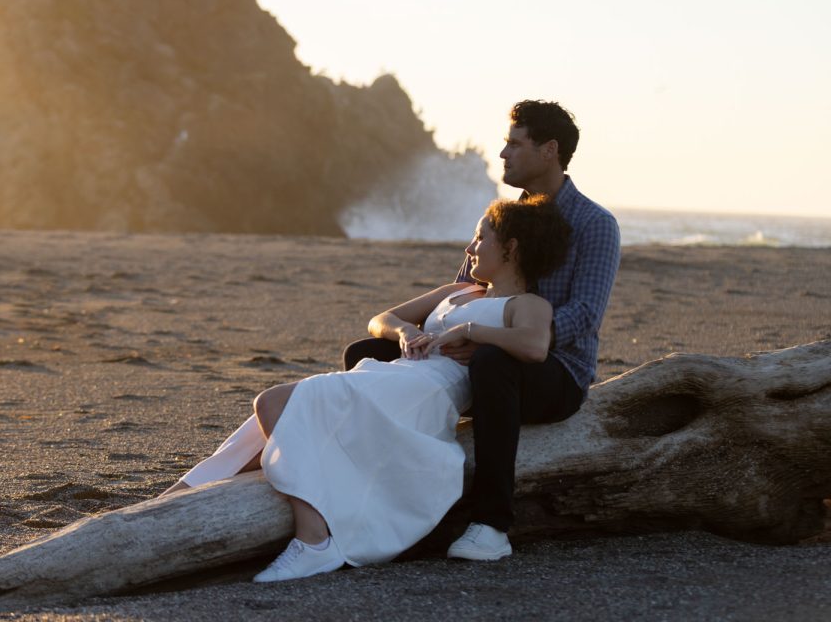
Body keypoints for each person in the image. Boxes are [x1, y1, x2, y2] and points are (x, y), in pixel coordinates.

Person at [164, 196, 571, 582]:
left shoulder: (527, 304)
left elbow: (535, 347)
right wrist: (407, 331)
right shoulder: (457, 291)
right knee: (268, 417)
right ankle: (175, 498)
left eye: (481, 237)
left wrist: (468, 331)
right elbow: (381, 319)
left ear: (511, 249)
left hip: (426, 393)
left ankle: (314, 538)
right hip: (390, 374)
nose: (470, 247)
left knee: (272, 404)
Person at [343, 99, 621, 562]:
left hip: (552, 371)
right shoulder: (502, 219)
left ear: (550, 150)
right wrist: (432, 336)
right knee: (367, 351)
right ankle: (365, 481)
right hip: (473, 350)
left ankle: (492, 525)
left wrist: (500, 338)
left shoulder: (595, 224)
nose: (503, 153)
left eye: (515, 143)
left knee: (494, 363)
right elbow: (467, 285)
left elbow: (584, 316)